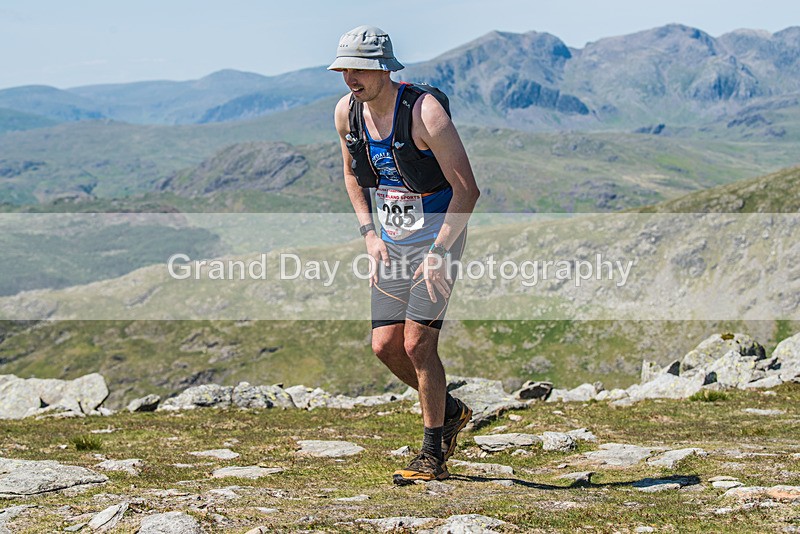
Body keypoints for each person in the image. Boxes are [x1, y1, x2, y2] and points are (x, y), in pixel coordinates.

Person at [329, 25, 481, 485]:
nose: (349, 79)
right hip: (391, 242)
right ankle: (449, 410)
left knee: (418, 344)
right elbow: (354, 175)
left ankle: (432, 455)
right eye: (343, 70)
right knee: (385, 346)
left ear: (383, 68)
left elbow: (468, 190)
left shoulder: (423, 112)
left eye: (358, 69)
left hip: (439, 238)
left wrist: (439, 252)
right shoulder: (347, 113)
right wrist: (369, 235)